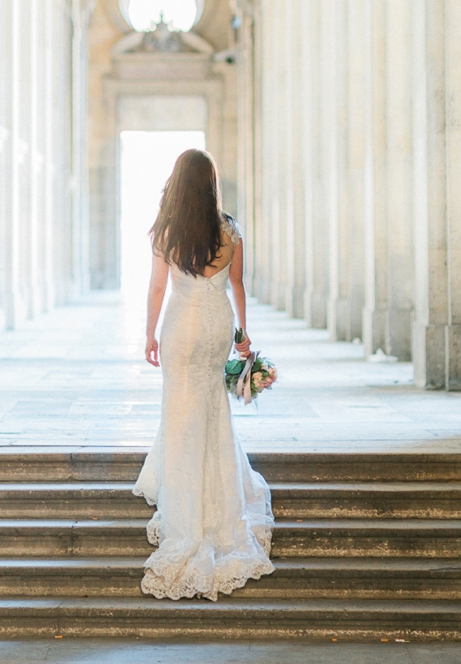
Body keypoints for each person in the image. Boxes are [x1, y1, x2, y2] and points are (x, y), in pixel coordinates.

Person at [133, 148, 275, 601]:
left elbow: (158, 287)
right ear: (210, 184)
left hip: (180, 324)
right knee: (212, 408)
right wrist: (242, 337)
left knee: (180, 407)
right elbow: (237, 285)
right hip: (215, 323)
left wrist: (150, 335)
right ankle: (217, 503)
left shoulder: (167, 231)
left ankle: (185, 504)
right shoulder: (229, 230)